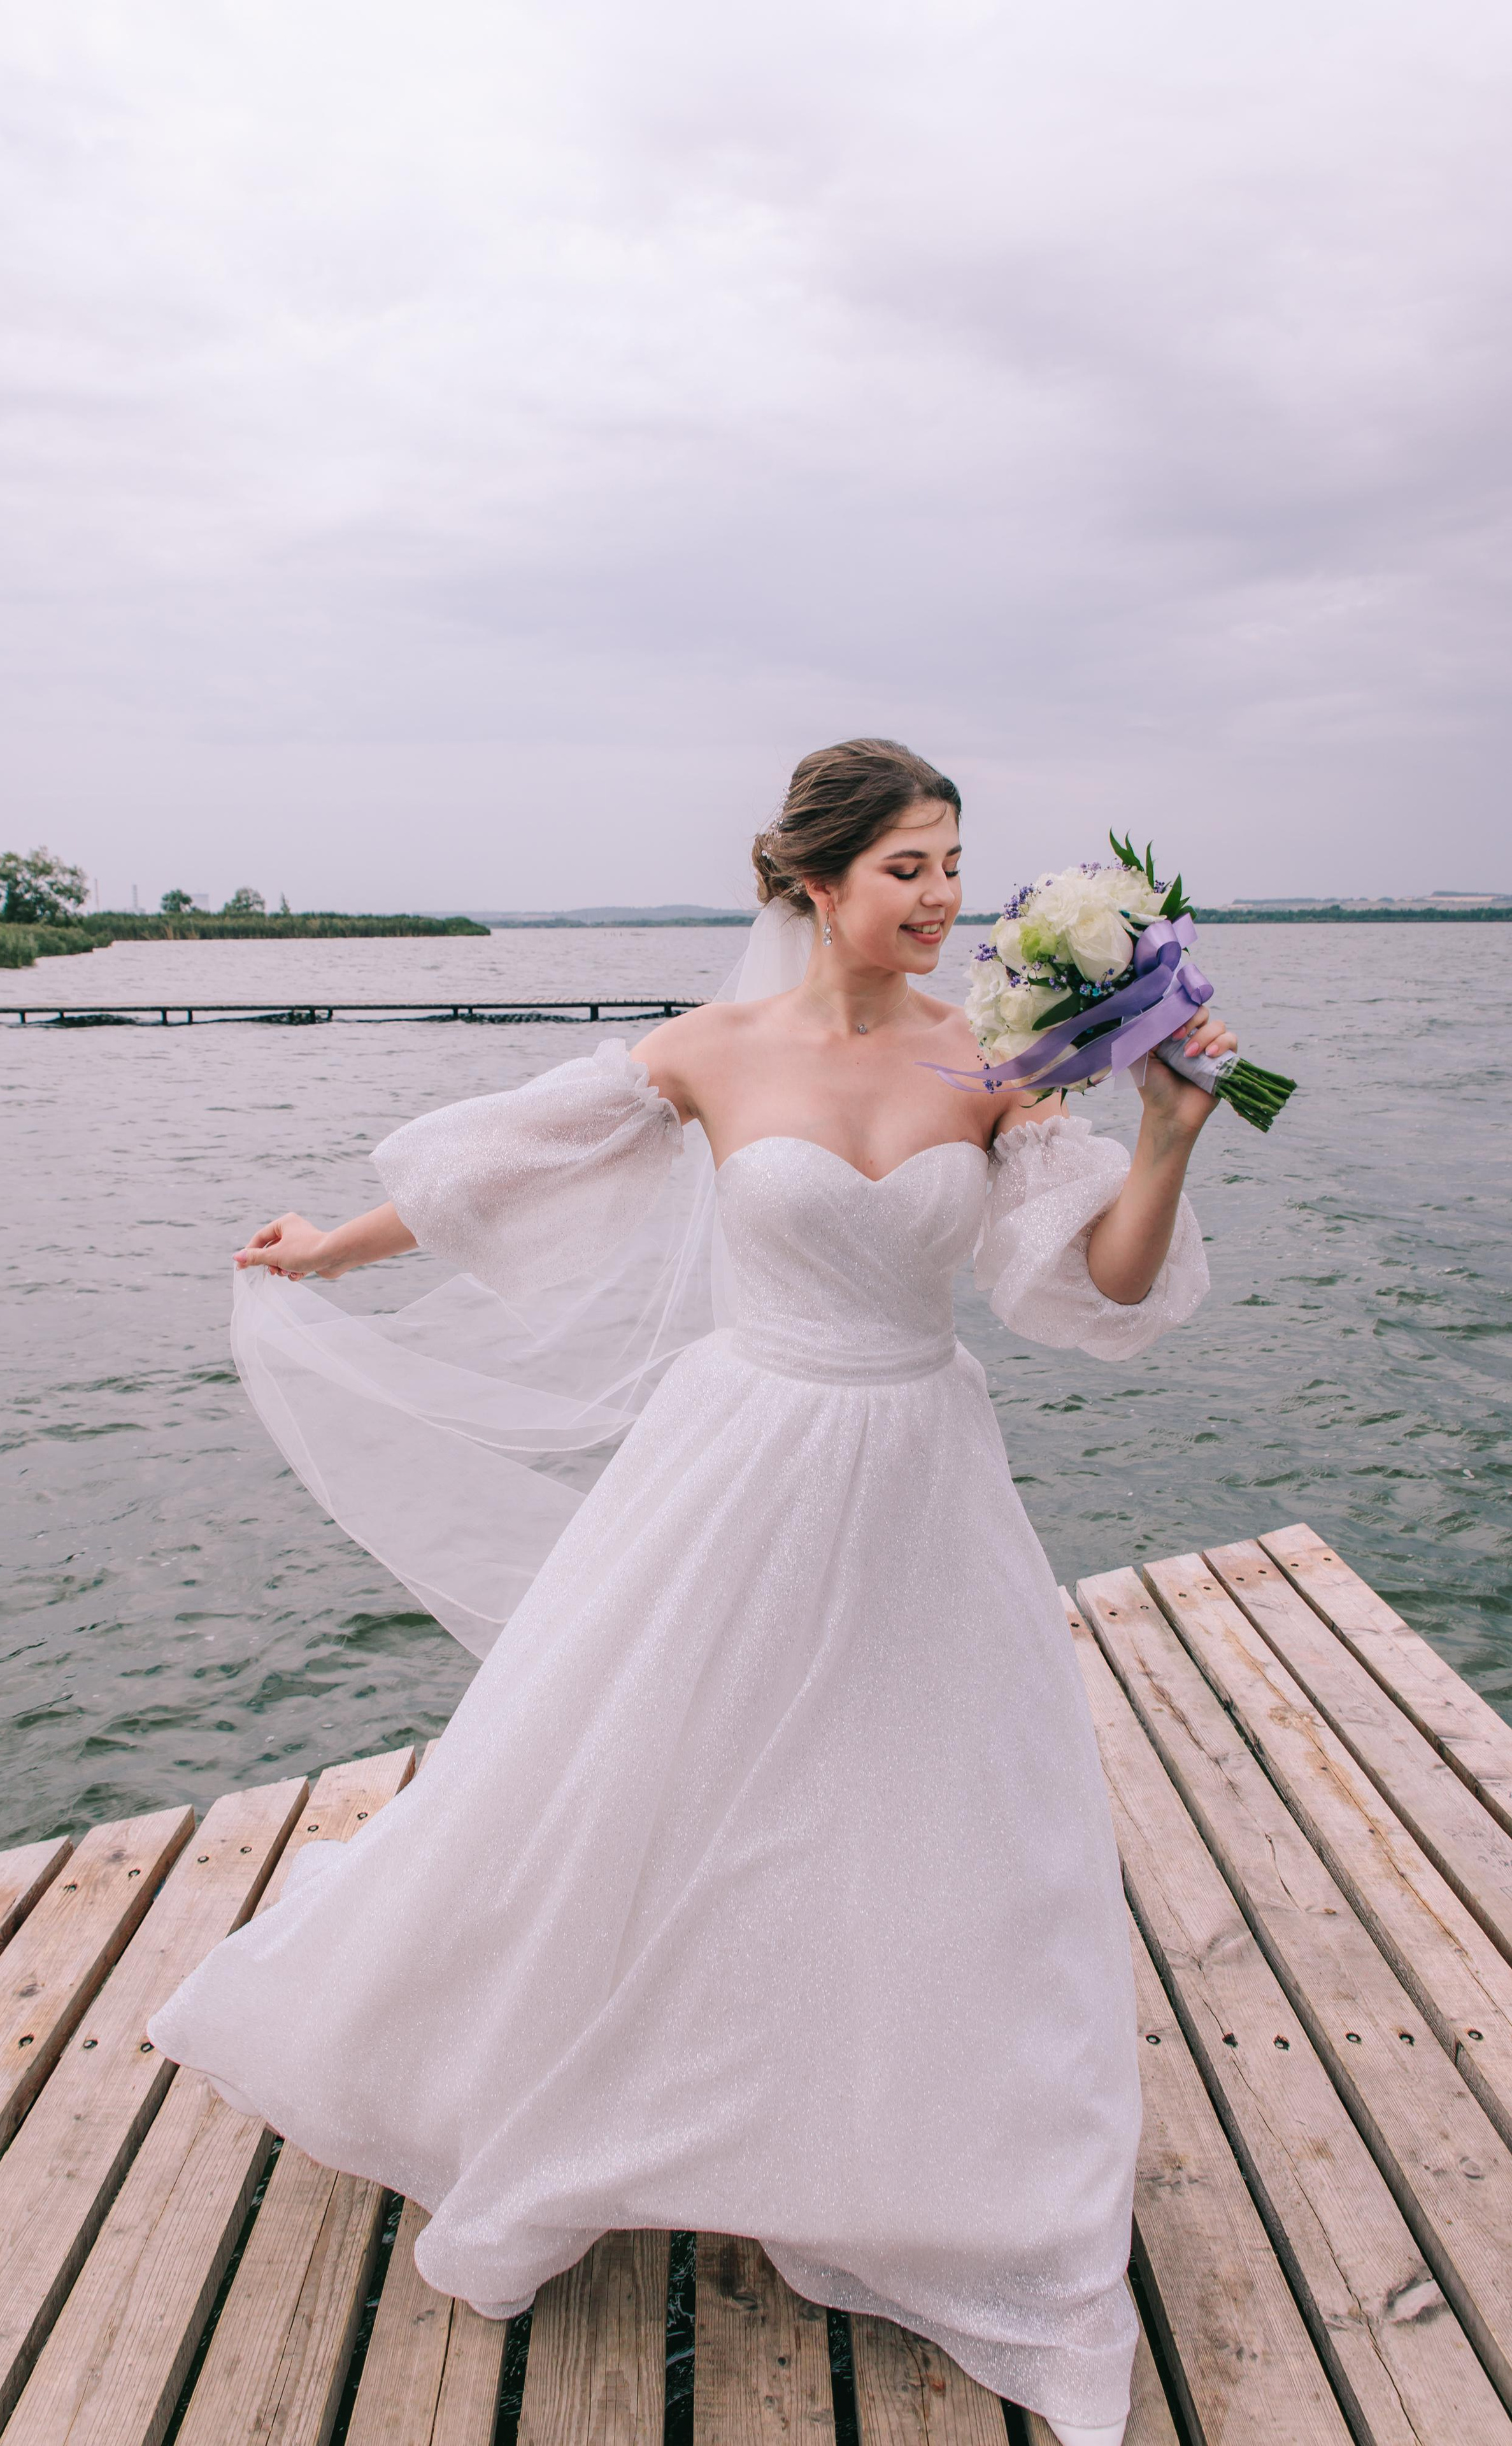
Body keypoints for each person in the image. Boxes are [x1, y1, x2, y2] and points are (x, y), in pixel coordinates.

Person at [148, 740, 1232, 2446]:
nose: (946, 899)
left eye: (957, 865)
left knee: (948, 1816)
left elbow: (1097, 1283)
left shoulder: (998, 1059)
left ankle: (947, 2173)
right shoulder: (708, 1050)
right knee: (644, 1781)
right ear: (814, 879)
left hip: (920, 1477)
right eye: (910, 868)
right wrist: (328, 1247)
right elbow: (497, 1176)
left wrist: (1168, 1132)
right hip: (740, 1466)